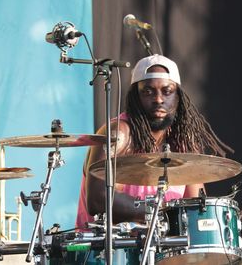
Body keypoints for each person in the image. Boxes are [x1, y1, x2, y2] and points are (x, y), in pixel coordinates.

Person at [74, 54, 233, 263]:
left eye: (167, 91)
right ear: (135, 97)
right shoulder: (118, 134)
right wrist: (160, 213)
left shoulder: (183, 142)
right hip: (105, 252)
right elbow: (97, 199)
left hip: (159, 252)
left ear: (178, 97)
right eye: (148, 91)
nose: (158, 99)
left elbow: (195, 206)